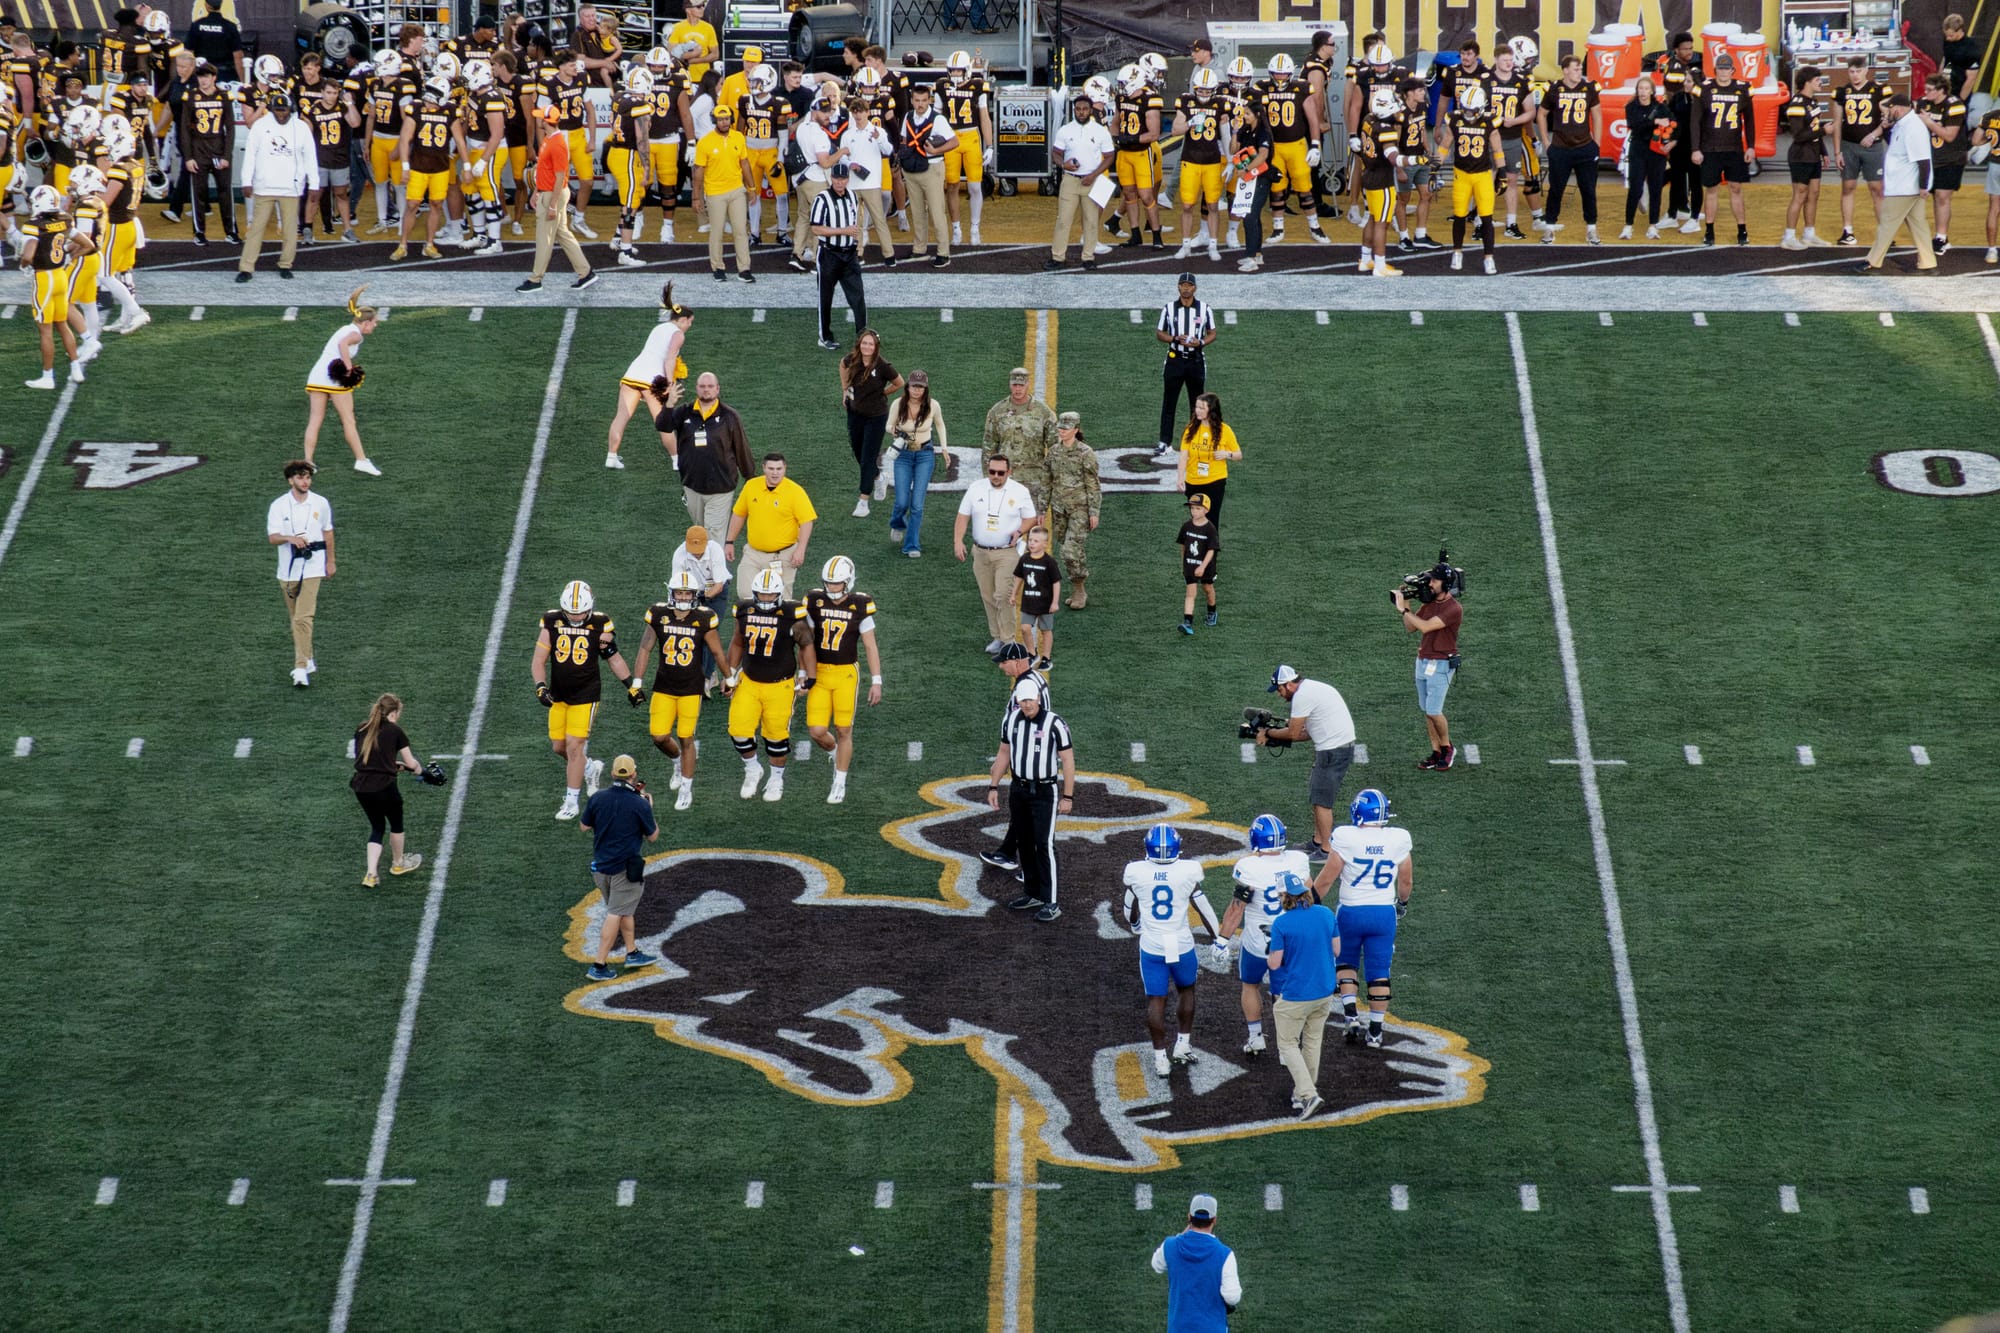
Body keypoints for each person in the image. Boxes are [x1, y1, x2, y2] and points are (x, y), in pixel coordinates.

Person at [532, 579, 644, 821]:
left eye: (580, 612)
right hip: (559, 694)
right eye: (570, 612)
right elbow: (539, 659)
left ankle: (571, 801)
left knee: (574, 747)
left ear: (590, 606)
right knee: (559, 747)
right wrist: (540, 686)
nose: (575, 616)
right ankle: (590, 767)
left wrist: (631, 686)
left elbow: (613, 658)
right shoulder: (551, 621)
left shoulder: (601, 624)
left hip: (586, 694)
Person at [1123, 824, 1227, 1076]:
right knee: (1187, 990)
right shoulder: (1187, 871)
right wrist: (1218, 939)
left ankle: (1160, 1059)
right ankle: (1182, 1045)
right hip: (1181, 943)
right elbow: (1203, 908)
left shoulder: (1136, 872)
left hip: (1153, 945)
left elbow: (1129, 909)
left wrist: (1135, 924)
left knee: (1156, 1000)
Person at [1313, 787, 1413, 1049]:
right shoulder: (1399, 838)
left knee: (1346, 962)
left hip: (1352, 911)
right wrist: (1402, 904)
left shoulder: (1346, 837)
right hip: (1383, 913)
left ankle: (1351, 1016)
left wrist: (1309, 904)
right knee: (1379, 971)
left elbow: (1326, 879)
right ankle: (1376, 1032)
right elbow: (1405, 880)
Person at [634, 570, 728, 810]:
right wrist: (637, 682)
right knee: (659, 736)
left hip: (691, 687)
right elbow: (645, 648)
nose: (684, 597)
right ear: (671, 593)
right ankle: (676, 760)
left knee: (686, 737)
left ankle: (686, 788)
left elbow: (717, 651)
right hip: (664, 685)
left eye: (688, 593)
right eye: (680, 593)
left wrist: (729, 677)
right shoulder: (659, 614)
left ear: (695, 594)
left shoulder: (704, 617)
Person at [1218, 813, 1311, 1057]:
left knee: (1250, 985)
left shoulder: (1249, 867)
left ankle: (1255, 1037)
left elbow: (1237, 908)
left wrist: (1222, 940)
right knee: (1284, 994)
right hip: (1289, 940)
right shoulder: (1298, 861)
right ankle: (1287, 1047)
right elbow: (1309, 896)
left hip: (1257, 942)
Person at [726, 565, 816, 802]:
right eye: (762, 595)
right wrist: (729, 674)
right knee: (738, 730)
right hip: (749, 680)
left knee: (776, 738)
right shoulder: (744, 610)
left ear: (779, 594)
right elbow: (737, 642)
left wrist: (808, 675)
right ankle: (752, 768)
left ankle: (776, 778)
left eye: (770, 595)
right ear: (755, 593)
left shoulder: (792, 613)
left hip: (780, 685)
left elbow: (806, 644)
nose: (766, 599)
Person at [988, 680, 1073, 923]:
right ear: (1017, 701)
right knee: (1023, 842)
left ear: (1038, 698)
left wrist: (1068, 796)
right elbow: (1004, 753)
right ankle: (1033, 893)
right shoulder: (1012, 720)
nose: (1026, 705)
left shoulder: (1055, 723)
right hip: (1019, 788)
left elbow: (1068, 760)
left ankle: (1051, 901)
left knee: (1044, 844)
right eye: (1022, 700)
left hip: (1045, 790)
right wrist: (993, 785)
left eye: (1030, 700)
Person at [1257, 665, 1358, 857]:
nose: (1279, 694)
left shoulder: (1302, 696)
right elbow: (1307, 733)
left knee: (1322, 802)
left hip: (1333, 751)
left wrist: (1268, 732)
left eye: (1279, 689)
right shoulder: (1311, 688)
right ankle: (1317, 842)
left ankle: (1327, 850)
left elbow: (1294, 733)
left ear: (1289, 685)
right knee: (1317, 796)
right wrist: (1274, 736)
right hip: (1334, 748)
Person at [804, 555, 882, 805]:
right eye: (828, 582)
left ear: (849, 581)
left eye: (837, 583)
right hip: (820, 672)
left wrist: (877, 681)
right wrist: (804, 673)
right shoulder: (815, 600)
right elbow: (806, 643)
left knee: (844, 728)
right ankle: (836, 753)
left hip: (846, 673)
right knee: (817, 731)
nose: (832, 587)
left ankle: (839, 780)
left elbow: (870, 645)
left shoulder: (860, 604)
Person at [1265, 869, 1340, 1118]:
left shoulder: (1282, 923)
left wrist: (1272, 945)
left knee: (1287, 1044)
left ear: (1284, 896)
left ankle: (1308, 1095)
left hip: (1297, 994)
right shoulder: (1326, 913)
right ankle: (1301, 1093)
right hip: (1325, 990)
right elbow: (1337, 950)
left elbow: (1274, 964)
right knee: (1312, 1041)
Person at [579, 754, 661, 980]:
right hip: (624, 869)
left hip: (600, 867)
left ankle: (632, 952)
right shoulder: (639, 803)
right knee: (616, 913)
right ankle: (599, 965)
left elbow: (584, 826)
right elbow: (653, 836)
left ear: (612, 773)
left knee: (623, 910)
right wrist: (648, 809)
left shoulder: (597, 797)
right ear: (633, 774)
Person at [955, 453, 1037, 654]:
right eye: (992, 472)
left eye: (1001, 473)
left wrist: (1019, 531)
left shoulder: (1020, 491)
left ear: (1009, 472)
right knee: (988, 596)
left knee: (1003, 595)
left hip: (1007, 552)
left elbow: (1031, 518)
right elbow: (963, 516)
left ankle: (1008, 641)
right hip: (980, 552)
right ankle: (998, 637)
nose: (996, 476)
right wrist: (958, 541)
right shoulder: (976, 488)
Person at [658, 372, 754, 539]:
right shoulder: (685, 412)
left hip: (721, 488)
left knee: (714, 535)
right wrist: (669, 404)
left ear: (717, 389)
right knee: (700, 534)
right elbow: (663, 426)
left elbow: (741, 447)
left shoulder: (729, 416)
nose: (706, 389)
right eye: (702, 386)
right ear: (696, 389)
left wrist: (750, 477)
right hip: (692, 485)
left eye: (710, 386)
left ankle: (716, 557)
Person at [608, 283, 692, 469]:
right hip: (652, 379)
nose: (690, 325)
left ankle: (611, 457)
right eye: (689, 321)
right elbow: (669, 358)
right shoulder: (678, 334)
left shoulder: (658, 328)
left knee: (621, 417)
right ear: (682, 319)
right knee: (664, 422)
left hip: (633, 373)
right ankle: (677, 461)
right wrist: (670, 383)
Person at [517, 102, 597, 293]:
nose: (538, 120)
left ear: (546, 121)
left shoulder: (557, 143)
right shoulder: (550, 139)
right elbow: (545, 170)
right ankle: (586, 272)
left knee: (544, 239)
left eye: (541, 118)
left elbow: (560, 177)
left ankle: (536, 279)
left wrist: (552, 204)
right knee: (563, 234)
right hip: (548, 192)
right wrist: (536, 191)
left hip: (553, 194)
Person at [301, 287, 383, 475]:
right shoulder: (356, 334)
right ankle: (361, 460)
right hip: (334, 377)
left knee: (315, 420)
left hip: (317, 375)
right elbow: (343, 344)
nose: (375, 326)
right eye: (374, 322)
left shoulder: (345, 328)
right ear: (366, 322)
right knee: (348, 420)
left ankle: (308, 461)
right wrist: (348, 368)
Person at [237, 91, 318, 282]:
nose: (281, 114)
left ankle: (286, 264)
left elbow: (310, 156)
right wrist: (246, 181)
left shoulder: (301, 128)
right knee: (256, 228)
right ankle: (246, 267)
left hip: (291, 187)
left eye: (284, 110)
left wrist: (314, 183)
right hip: (264, 186)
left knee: (290, 229)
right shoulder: (260, 126)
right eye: (277, 110)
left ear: (291, 109)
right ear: (272, 110)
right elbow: (250, 155)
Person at [267, 460, 335, 687]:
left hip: (314, 566)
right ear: (290, 480)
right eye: (300, 477)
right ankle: (309, 657)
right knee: (296, 619)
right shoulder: (279, 505)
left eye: (307, 477)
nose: (305, 482)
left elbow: (328, 533)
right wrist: (290, 538)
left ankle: (300, 668)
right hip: (288, 569)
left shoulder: (320, 503)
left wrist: (330, 561)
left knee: (303, 618)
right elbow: (272, 537)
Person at [351, 694, 427, 887]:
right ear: (393, 713)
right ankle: (398, 864)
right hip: (384, 786)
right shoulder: (395, 731)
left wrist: (392, 765)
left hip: (361, 786)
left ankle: (371, 874)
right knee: (396, 823)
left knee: (377, 828)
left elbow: (366, 759)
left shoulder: (362, 728)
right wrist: (419, 770)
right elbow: (411, 763)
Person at [1394, 561, 1463, 769]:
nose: (1430, 584)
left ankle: (1447, 747)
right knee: (1427, 711)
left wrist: (1403, 610)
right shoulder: (1430, 603)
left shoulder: (1454, 608)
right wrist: (1406, 603)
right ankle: (1436, 751)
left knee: (1434, 711)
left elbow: (1425, 627)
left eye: (1435, 580)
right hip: (1423, 661)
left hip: (1441, 663)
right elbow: (1411, 628)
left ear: (1446, 584)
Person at [1859, 95, 1938, 274]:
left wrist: (1923, 186)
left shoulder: (1913, 127)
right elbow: (1896, 146)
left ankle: (1873, 261)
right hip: (1906, 185)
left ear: (1898, 109)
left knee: (1887, 224)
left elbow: (1923, 160)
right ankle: (1928, 263)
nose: (1887, 112)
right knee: (1918, 226)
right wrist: (1885, 129)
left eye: (1889, 109)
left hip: (1905, 186)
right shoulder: (1904, 125)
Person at [726, 453, 817, 598]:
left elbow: (806, 522)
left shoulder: (795, 491)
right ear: (764, 468)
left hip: (783, 555)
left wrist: (800, 550)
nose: (775, 473)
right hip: (753, 553)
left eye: (779, 469)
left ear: (785, 468)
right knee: (746, 595)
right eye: (771, 468)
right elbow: (739, 514)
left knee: (781, 599)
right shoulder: (751, 486)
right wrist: (729, 541)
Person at [1150, 1194, 1242, 1331]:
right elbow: (1232, 1297)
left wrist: (1181, 1235)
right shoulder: (1225, 1254)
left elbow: (1156, 1264)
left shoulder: (1170, 1245)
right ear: (1214, 1220)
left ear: (1189, 1217)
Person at [836, 328, 903, 515]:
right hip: (855, 413)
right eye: (864, 343)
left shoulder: (882, 366)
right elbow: (842, 365)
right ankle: (879, 476)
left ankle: (863, 500)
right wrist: (845, 389)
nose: (867, 347)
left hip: (876, 417)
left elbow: (899, 382)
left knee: (867, 458)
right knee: (858, 453)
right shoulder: (851, 360)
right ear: (859, 344)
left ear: (876, 347)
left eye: (870, 344)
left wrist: (882, 393)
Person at [1045, 88, 1113, 270]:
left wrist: (1093, 175)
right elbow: (1056, 152)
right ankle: (1058, 257)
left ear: (1090, 110)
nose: (1081, 112)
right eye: (1078, 109)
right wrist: (1063, 164)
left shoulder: (1100, 131)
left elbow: (1109, 156)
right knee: (1063, 220)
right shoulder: (1065, 130)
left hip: (1092, 180)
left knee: (1091, 221)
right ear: (1074, 110)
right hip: (1071, 179)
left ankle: (1088, 257)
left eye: (1084, 109)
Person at [1691, 53, 1753, 247]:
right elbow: (1695, 121)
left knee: (1736, 188)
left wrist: (1751, 146)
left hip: (1734, 147)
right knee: (1711, 189)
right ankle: (1709, 230)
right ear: (1715, 69)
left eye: (1727, 68)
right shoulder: (1704, 89)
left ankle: (1742, 229)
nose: (1724, 72)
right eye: (1721, 68)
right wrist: (1695, 148)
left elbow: (1749, 120)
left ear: (1733, 70)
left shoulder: (1742, 89)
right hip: (1710, 148)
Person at [1539, 55, 1602, 245]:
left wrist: (1596, 144)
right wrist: (1545, 141)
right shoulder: (1554, 89)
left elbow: (1597, 115)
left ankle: (1591, 228)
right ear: (1565, 70)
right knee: (1556, 190)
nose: (1579, 72)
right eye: (1575, 69)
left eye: (1580, 68)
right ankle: (1550, 227)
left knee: (1588, 190)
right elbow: (1541, 114)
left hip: (1585, 147)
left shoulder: (1589, 88)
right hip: (1560, 148)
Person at [886, 369, 947, 557]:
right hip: (903, 454)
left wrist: (944, 448)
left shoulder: (933, 405)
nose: (917, 390)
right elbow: (888, 425)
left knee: (917, 505)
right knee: (901, 501)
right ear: (908, 387)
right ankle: (897, 523)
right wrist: (894, 430)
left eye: (920, 387)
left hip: (925, 454)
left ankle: (912, 544)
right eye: (914, 386)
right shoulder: (898, 404)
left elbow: (940, 424)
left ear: (925, 388)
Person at [1044, 413, 1101, 609]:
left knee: (1070, 550)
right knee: (1069, 548)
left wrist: (1094, 512)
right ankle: (1077, 585)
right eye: (1060, 427)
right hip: (1059, 509)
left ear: (1076, 430)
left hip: (1080, 509)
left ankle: (1079, 589)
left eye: (1066, 428)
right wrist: (1042, 509)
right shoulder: (1053, 452)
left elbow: (1093, 484)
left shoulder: (1086, 453)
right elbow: (1047, 481)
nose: (1061, 430)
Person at [1834, 57, 1892, 245]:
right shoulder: (1842, 92)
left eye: (1858, 71)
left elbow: (1888, 119)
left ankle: (1885, 231)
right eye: (1851, 71)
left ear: (1866, 70)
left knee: (1877, 188)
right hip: (1849, 146)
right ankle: (1847, 231)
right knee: (1848, 187)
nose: (1855, 75)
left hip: (1872, 147)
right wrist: (1837, 152)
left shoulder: (1880, 90)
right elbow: (1837, 124)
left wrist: (1873, 135)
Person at [1171, 68, 1228, 259]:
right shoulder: (1186, 102)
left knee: (1212, 205)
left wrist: (1229, 160)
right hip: (1190, 160)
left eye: (1207, 90)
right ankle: (1186, 245)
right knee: (1187, 205)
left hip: (1212, 161)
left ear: (1214, 89)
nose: (1203, 93)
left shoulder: (1221, 104)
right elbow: (1175, 130)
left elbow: (1225, 135)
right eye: (1200, 90)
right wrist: (1190, 123)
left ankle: (1213, 245)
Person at [1155, 273, 1215, 455]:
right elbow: (1159, 333)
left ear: (1195, 288)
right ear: (1178, 287)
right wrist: (1174, 338)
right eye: (1183, 285)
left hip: (1195, 360)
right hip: (1175, 360)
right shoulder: (1169, 308)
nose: (1186, 288)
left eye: (1189, 285)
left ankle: (1195, 441)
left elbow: (1212, 333)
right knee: (1169, 402)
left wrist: (1200, 342)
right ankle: (1164, 442)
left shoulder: (1204, 308)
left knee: (1197, 404)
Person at [982, 367, 1057, 512]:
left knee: (1032, 522)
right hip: (1005, 480)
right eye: (1015, 385)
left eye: (1021, 385)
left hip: (1034, 481)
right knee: (1005, 521)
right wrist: (989, 479)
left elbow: (1055, 449)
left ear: (1028, 384)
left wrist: (1049, 479)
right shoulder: (997, 411)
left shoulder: (1043, 412)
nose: (1018, 389)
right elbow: (988, 448)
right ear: (1010, 384)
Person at [694, 103, 755, 281]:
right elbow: (698, 170)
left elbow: (745, 163)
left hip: (737, 190)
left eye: (726, 119)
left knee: (741, 230)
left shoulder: (738, 137)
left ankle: (744, 268)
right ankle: (718, 267)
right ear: (715, 121)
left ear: (731, 119)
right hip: (715, 193)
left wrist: (751, 188)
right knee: (717, 232)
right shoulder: (705, 141)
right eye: (720, 119)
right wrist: (696, 196)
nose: (724, 122)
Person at [899, 81, 956, 266]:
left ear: (929, 100)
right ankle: (919, 248)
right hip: (912, 168)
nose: (920, 104)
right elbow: (904, 139)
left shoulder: (937, 119)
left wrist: (936, 151)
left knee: (937, 212)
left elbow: (954, 141)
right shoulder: (908, 116)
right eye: (917, 100)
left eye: (924, 100)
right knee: (917, 212)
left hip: (932, 168)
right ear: (912, 100)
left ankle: (943, 252)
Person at [812, 163, 867, 351]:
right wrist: (843, 231)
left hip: (849, 254)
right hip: (829, 254)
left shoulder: (852, 196)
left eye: (843, 178)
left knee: (858, 297)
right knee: (825, 297)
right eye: (836, 178)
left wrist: (854, 242)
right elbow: (815, 228)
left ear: (848, 179)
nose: (839, 182)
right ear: (831, 178)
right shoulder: (822, 199)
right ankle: (825, 337)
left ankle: (862, 337)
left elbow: (854, 222)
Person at [671, 525, 732, 689]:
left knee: (710, 631)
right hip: (690, 594)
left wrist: (702, 599)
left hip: (716, 593)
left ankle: (707, 676)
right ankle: (690, 672)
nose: (696, 553)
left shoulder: (715, 550)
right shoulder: (679, 554)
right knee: (690, 632)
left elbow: (718, 585)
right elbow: (676, 585)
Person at [1780, 68, 1833, 250]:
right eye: (1817, 80)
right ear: (1807, 82)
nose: (1820, 82)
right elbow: (1798, 135)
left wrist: (1824, 152)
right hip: (1801, 156)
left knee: (1814, 193)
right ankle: (1788, 236)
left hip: (1813, 154)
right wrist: (1824, 131)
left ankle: (1809, 234)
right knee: (1800, 195)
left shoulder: (1812, 101)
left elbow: (1814, 128)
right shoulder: (1797, 104)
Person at [1919, 73, 1969, 253]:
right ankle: (1940, 235)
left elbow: (1949, 135)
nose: (1926, 92)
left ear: (1941, 90)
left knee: (1942, 196)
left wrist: (1929, 122)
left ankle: (1941, 236)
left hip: (1951, 158)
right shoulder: (1924, 103)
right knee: (1934, 196)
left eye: (1930, 89)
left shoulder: (1955, 105)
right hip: (1931, 157)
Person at [1230, 98, 1276, 273]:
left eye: (1247, 113)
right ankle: (1256, 254)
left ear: (1257, 114)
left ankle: (1251, 257)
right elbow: (1233, 150)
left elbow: (1263, 156)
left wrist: (1246, 169)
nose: (1245, 116)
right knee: (1250, 216)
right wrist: (1235, 131)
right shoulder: (1246, 130)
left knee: (1250, 216)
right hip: (1249, 180)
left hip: (1261, 178)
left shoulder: (1263, 132)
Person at [1176, 393, 1237, 522]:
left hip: (1215, 481)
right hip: (1193, 481)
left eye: (1201, 408)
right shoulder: (1190, 430)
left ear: (1211, 410)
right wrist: (1180, 477)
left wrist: (1227, 454)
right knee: (1197, 519)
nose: (1197, 410)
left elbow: (1238, 454)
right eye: (1196, 407)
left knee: (1212, 520)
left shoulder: (1225, 430)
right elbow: (1183, 456)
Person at [1010, 524, 1061, 667]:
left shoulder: (1049, 562)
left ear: (1045, 544)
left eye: (1036, 541)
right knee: (1025, 628)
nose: (1031, 543)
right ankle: (1032, 653)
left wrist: (1055, 602)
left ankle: (1046, 658)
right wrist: (1013, 594)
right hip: (1028, 602)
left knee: (1046, 630)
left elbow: (1056, 583)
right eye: (1030, 540)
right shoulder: (1024, 559)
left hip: (1045, 604)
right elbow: (1019, 577)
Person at [1176, 494, 1219, 634]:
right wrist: (1184, 563)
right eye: (1192, 508)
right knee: (1190, 593)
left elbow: (1212, 550)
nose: (1194, 511)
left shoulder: (1210, 529)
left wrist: (1202, 566)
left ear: (1206, 510)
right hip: (1190, 564)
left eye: (1198, 508)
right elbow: (1183, 545)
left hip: (1206, 566)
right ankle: (1187, 622)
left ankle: (1212, 611)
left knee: (1207, 588)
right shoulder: (1186, 526)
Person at [184, 0, 246, 83]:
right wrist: (243, 82)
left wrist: (187, 78)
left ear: (206, 5)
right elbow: (238, 56)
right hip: (225, 76)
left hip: (202, 74)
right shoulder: (230, 26)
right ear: (221, 5)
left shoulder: (197, 25)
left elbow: (188, 53)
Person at [666, 0, 719, 84]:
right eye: (698, 7)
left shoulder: (709, 28)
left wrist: (692, 60)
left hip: (703, 78)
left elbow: (715, 55)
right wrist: (693, 54)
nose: (702, 9)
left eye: (703, 6)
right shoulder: (677, 28)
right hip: (682, 77)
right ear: (688, 10)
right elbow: (671, 54)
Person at [1979, 104, 2000, 263]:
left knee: (1994, 208)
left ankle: (1991, 250)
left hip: (1995, 164)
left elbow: (1975, 140)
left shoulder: (1990, 115)